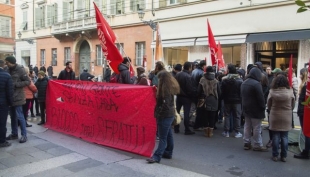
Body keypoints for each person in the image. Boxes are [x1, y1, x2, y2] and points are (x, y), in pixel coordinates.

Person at [146, 70, 180, 163]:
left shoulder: (165, 91)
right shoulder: (170, 88)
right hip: (169, 114)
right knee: (168, 135)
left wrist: (159, 114)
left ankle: (157, 156)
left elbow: (164, 105)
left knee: (162, 137)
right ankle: (168, 152)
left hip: (164, 116)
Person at [267, 74, 295, 162]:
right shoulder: (290, 92)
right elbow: (293, 105)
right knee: (285, 136)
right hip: (287, 115)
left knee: (275, 136)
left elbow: (269, 105)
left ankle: (275, 155)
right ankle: (284, 156)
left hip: (275, 114)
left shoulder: (272, 91)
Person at [241, 67, 268, 151]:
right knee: (256, 127)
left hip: (246, 108)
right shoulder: (256, 84)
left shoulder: (244, 83)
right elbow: (261, 98)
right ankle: (257, 144)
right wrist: (263, 107)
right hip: (256, 109)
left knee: (247, 126)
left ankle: (247, 142)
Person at [5, 56, 30, 143]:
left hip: (18, 97)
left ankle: (24, 135)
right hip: (10, 97)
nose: (6, 64)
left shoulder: (20, 69)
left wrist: (16, 84)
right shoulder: (7, 69)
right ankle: (14, 134)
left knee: (20, 116)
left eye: (7, 62)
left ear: (12, 62)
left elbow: (27, 81)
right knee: (12, 117)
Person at [221, 64, 243, 138]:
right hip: (237, 101)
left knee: (227, 115)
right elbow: (241, 92)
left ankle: (226, 131)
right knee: (237, 116)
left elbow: (222, 91)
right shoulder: (240, 81)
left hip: (227, 100)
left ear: (229, 70)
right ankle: (237, 132)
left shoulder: (225, 80)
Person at [197, 66, 220, 137]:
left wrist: (199, 97)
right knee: (212, 116)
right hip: (214, 99)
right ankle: (211, 132)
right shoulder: (216, 81)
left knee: (205, 116)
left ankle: (206, 131)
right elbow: (219, 92)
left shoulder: (202, 79)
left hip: (204, 99)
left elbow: (198, 91)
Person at [175, 62, 196, 135]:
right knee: (186, 113)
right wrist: (192, 96)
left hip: (179, 95)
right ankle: (187, 129)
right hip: (186, 97)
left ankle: (176, 127)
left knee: (177, 112)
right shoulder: (188, 76)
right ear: (189, 68)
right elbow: (190, 88)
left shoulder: (178, 74)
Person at [294, 68, 310, 159]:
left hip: (304, 112)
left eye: (299, 74)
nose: (298, 75)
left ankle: (306, 151)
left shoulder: (305, 86)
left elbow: (302, 101)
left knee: (306, 131)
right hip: (305, 111)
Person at [0, 59, 13, 148]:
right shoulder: (6, 75)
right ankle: (2, 141)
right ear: (3, 65)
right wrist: (10, 103)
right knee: (2, 123)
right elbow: (9, 92)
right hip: (3, 103)